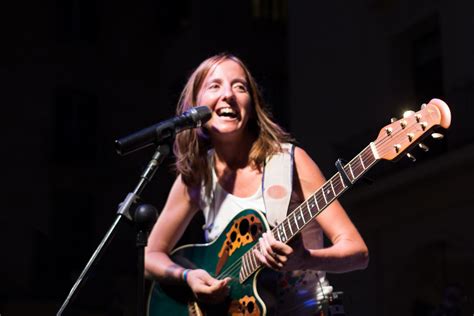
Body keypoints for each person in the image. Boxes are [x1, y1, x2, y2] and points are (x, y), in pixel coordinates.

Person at [144, 53, 369, 314]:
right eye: (214, 86)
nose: (228, 94)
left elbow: (358, 252)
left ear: (251, 107)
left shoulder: (290, 162)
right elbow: (150, 256)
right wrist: (188, 277)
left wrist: (306, 258)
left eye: (239, 87)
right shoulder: (197, 176)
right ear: (195, 105)